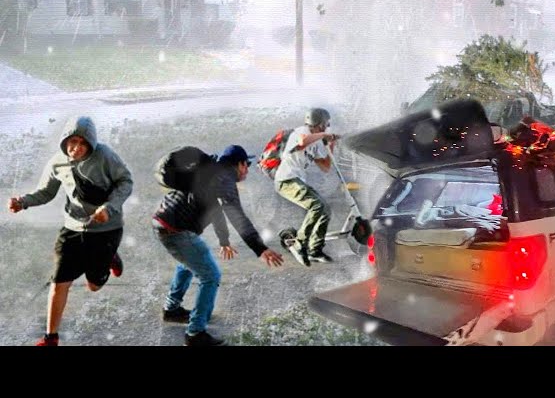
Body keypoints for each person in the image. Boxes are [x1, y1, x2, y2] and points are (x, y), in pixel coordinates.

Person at [7, 116, 133, 346]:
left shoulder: (105, 156)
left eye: (83, 143)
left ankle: (108, 259)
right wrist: (23, 202)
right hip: (72, 228)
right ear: (65, 141)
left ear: (91, 144)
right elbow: (45, 192)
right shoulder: (57, 162)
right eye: (72, 142)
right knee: (59, 282)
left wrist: (110, 207)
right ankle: (51, 338)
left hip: (106, 229)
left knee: (94, 286)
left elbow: (126, 181)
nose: (76, 148)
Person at [152, 144, 284, 347]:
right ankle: (195, 333)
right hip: (175, 230)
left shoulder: (210, 169)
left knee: (189, 261)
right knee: (210, 276)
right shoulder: (224, 178)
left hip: (162, 222)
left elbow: (215, 211)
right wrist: (260, 248)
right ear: (238, 164)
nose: (247, 170)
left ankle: (172, 310)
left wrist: (224, 241)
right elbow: (237, 216)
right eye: (246, 164)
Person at [274, 108, 340, 267]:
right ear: (321, 123)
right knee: (317, 206)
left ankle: (314, 251)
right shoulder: (301, 131)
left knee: (325, 209)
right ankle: (298, 244)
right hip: (286, 180)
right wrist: (325, 136)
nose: (327, 127)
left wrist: (331, 144)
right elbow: (303, 142)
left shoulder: (316, 142)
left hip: (297, 180)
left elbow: (325, 166)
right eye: (326, 124)